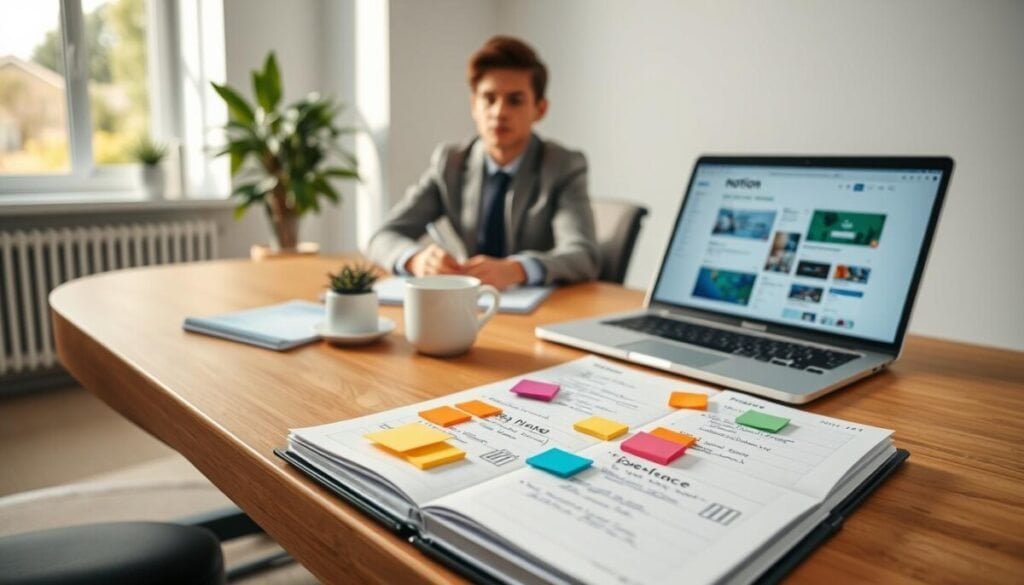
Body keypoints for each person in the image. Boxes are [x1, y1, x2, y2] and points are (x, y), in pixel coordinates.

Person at [365, 36, 599, 289]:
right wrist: (416, 259)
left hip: (543, 306)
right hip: (467, 301)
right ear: (473, 105)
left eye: (515, 100)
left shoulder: (563, 166)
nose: (499, 112)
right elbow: (382, 237)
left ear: (540, 109)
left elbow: (583, 255)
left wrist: (517, 269)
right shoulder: (450, 163)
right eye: (489, 98)